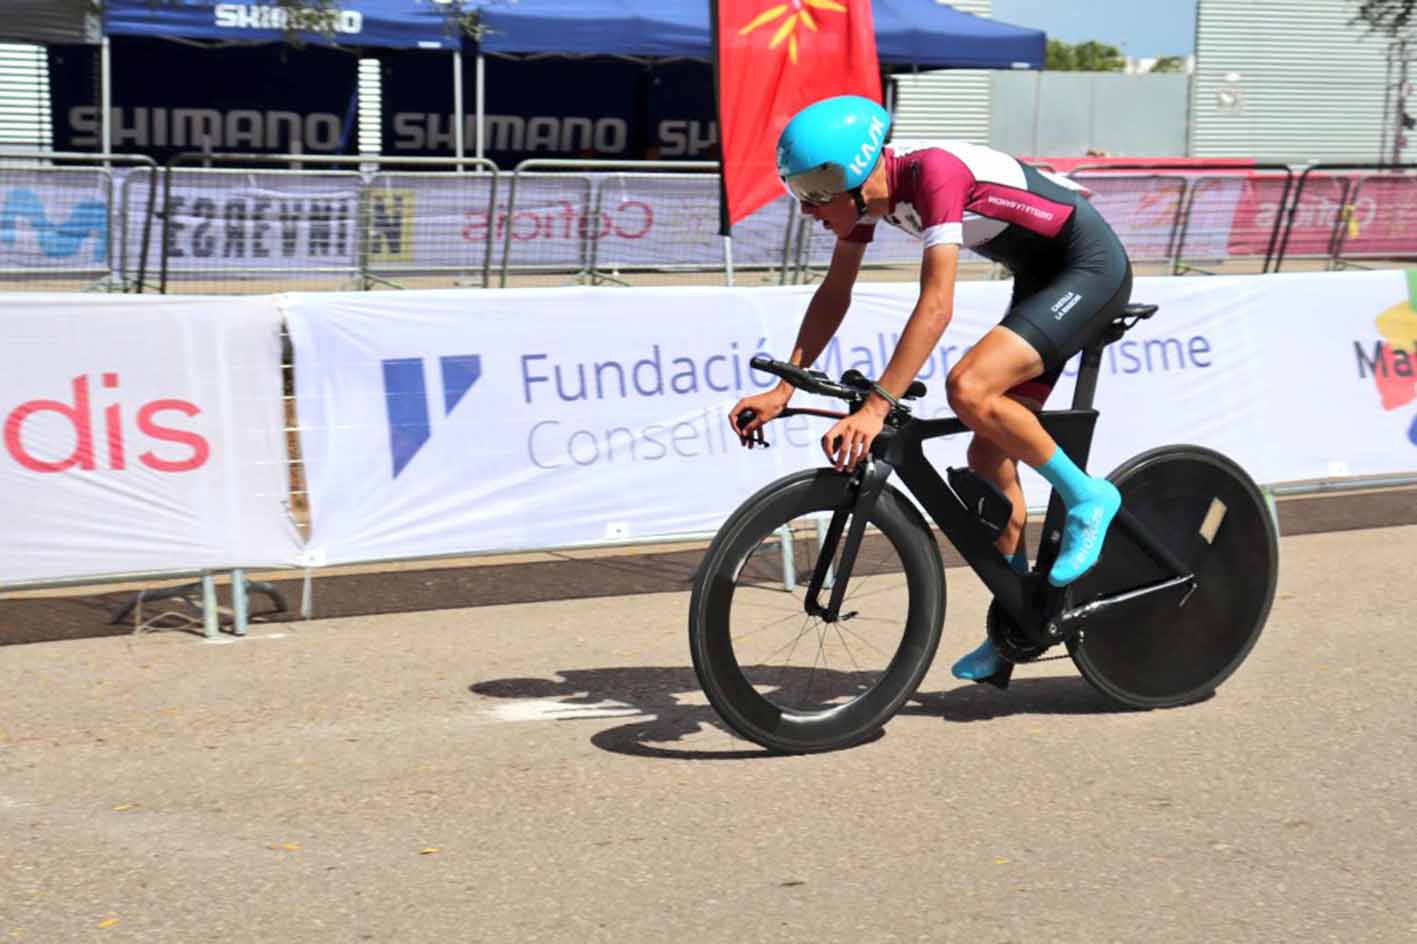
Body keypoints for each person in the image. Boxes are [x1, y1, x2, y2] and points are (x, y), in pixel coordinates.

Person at [728, 94, 1133, 685]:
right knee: (986, 454)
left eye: (816, 193)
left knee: (969, 387)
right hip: (1041, 277)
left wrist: (876, 407)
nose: (809, 209)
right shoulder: (867, 200)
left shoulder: (931, 175)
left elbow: (937, 304)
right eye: (800, 194)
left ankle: (1089, 496)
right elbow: (834, 294)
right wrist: (785, 387)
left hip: (1089, 268)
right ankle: (1019, 627)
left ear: (854, 174)